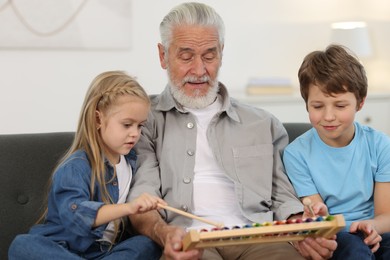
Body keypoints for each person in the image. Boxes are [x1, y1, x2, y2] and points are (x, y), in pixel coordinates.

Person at [127, 2, 336, 259]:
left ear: (222, 53)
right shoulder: (144, 121)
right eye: (186, 56)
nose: (199, 70)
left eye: (209, 55)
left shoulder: (263, 123)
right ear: (163, 56)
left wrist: (302, 229)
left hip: (260, 237)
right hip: (189, 241)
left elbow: (284, 197)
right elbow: (142, 198)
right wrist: (163, 233)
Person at [8, 71, 167, 259]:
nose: (135, 133)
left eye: (140, 126)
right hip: (62, 248)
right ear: (98, 119)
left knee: (147, 244)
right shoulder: (76, 167)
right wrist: (130, 207)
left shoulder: (132, 161)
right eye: (126, 125)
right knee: (23, 245)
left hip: (102, 253)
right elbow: (77, 214)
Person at [283, 44, 390, 259]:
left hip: (376, 230)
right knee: (354, 249)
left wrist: (372, 227)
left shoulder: (380, 144)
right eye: (318, 106)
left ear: (360, 103)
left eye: (340, 106)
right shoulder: (296, 154)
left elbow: (386, 215)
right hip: (336, 235)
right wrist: (318, 215)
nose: (329, 116)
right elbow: (318, 217)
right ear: (306, 104)